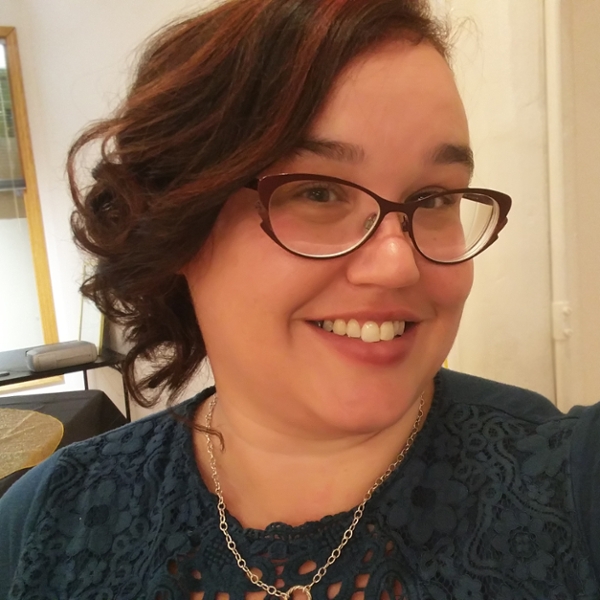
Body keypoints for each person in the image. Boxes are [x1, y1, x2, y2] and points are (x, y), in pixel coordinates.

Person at [1, 0, 599, 598]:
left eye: (436, 198)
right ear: (177, 225)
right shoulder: (45, 525)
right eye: (318, 192)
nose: (397, 264)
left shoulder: (571, 485)